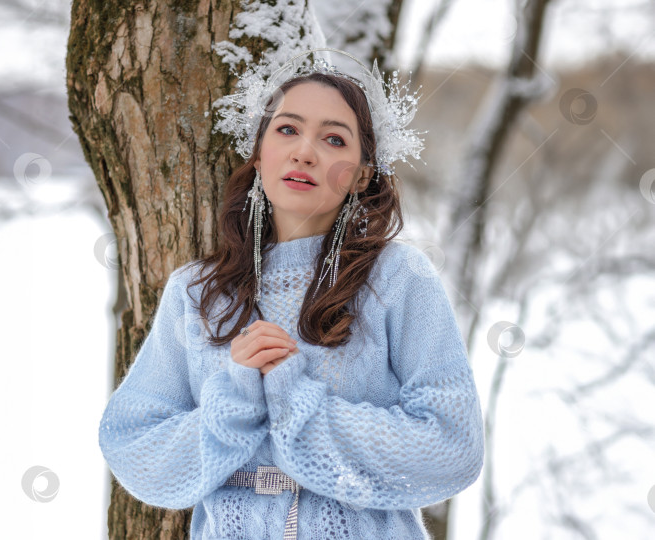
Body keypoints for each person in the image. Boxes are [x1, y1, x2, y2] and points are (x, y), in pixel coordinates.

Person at [98, 48, 485, 539]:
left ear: (362, 174)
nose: (305, 150)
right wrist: (233, 401)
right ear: (259, 155)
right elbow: (133, 447)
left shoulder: (399, 278)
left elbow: (453, 446)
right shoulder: (197, 294)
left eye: (333, 138)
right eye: (287, 129)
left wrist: (299, 404)